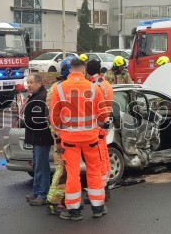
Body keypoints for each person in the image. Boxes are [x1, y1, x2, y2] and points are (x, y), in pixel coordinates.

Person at [50, 58, 110, 220]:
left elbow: (54, 116)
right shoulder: (93, 87)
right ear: (83, 71)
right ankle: (98, 207)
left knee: (73, 174)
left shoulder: (60, 89)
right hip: (91, 138)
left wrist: (59, 133)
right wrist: (97, 128)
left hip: (69, 139)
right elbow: (104, 114)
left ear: (70, 70)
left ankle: (74, 210)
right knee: (94, 171)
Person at [86, 60, 114, 201]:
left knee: (98, 160)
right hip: (105, 123)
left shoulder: (94, 86)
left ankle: (101, 190)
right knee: (104, 157)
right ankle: (105, 188)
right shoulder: (106, 83)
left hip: (97, 124)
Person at [23, 73, 53, 206]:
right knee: (36, 164)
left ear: (39, 83)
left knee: (41, 166)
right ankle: (36, 192)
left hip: (41, 136)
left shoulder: (41, 97)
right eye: (27, 82)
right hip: (37, 137)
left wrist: (26, 120)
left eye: (31, 82)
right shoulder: (36, 96)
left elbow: (39, 119)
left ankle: (43, 194)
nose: (28, 85)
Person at [46, 71, 68, 215]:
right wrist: (59, 138)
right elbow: (55, 116)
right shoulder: (60, 89)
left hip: (61, 133)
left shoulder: (56, 87)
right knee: (62, 169)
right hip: (62, 135)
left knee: (66, 169)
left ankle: (62, 199)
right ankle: (54, 200)